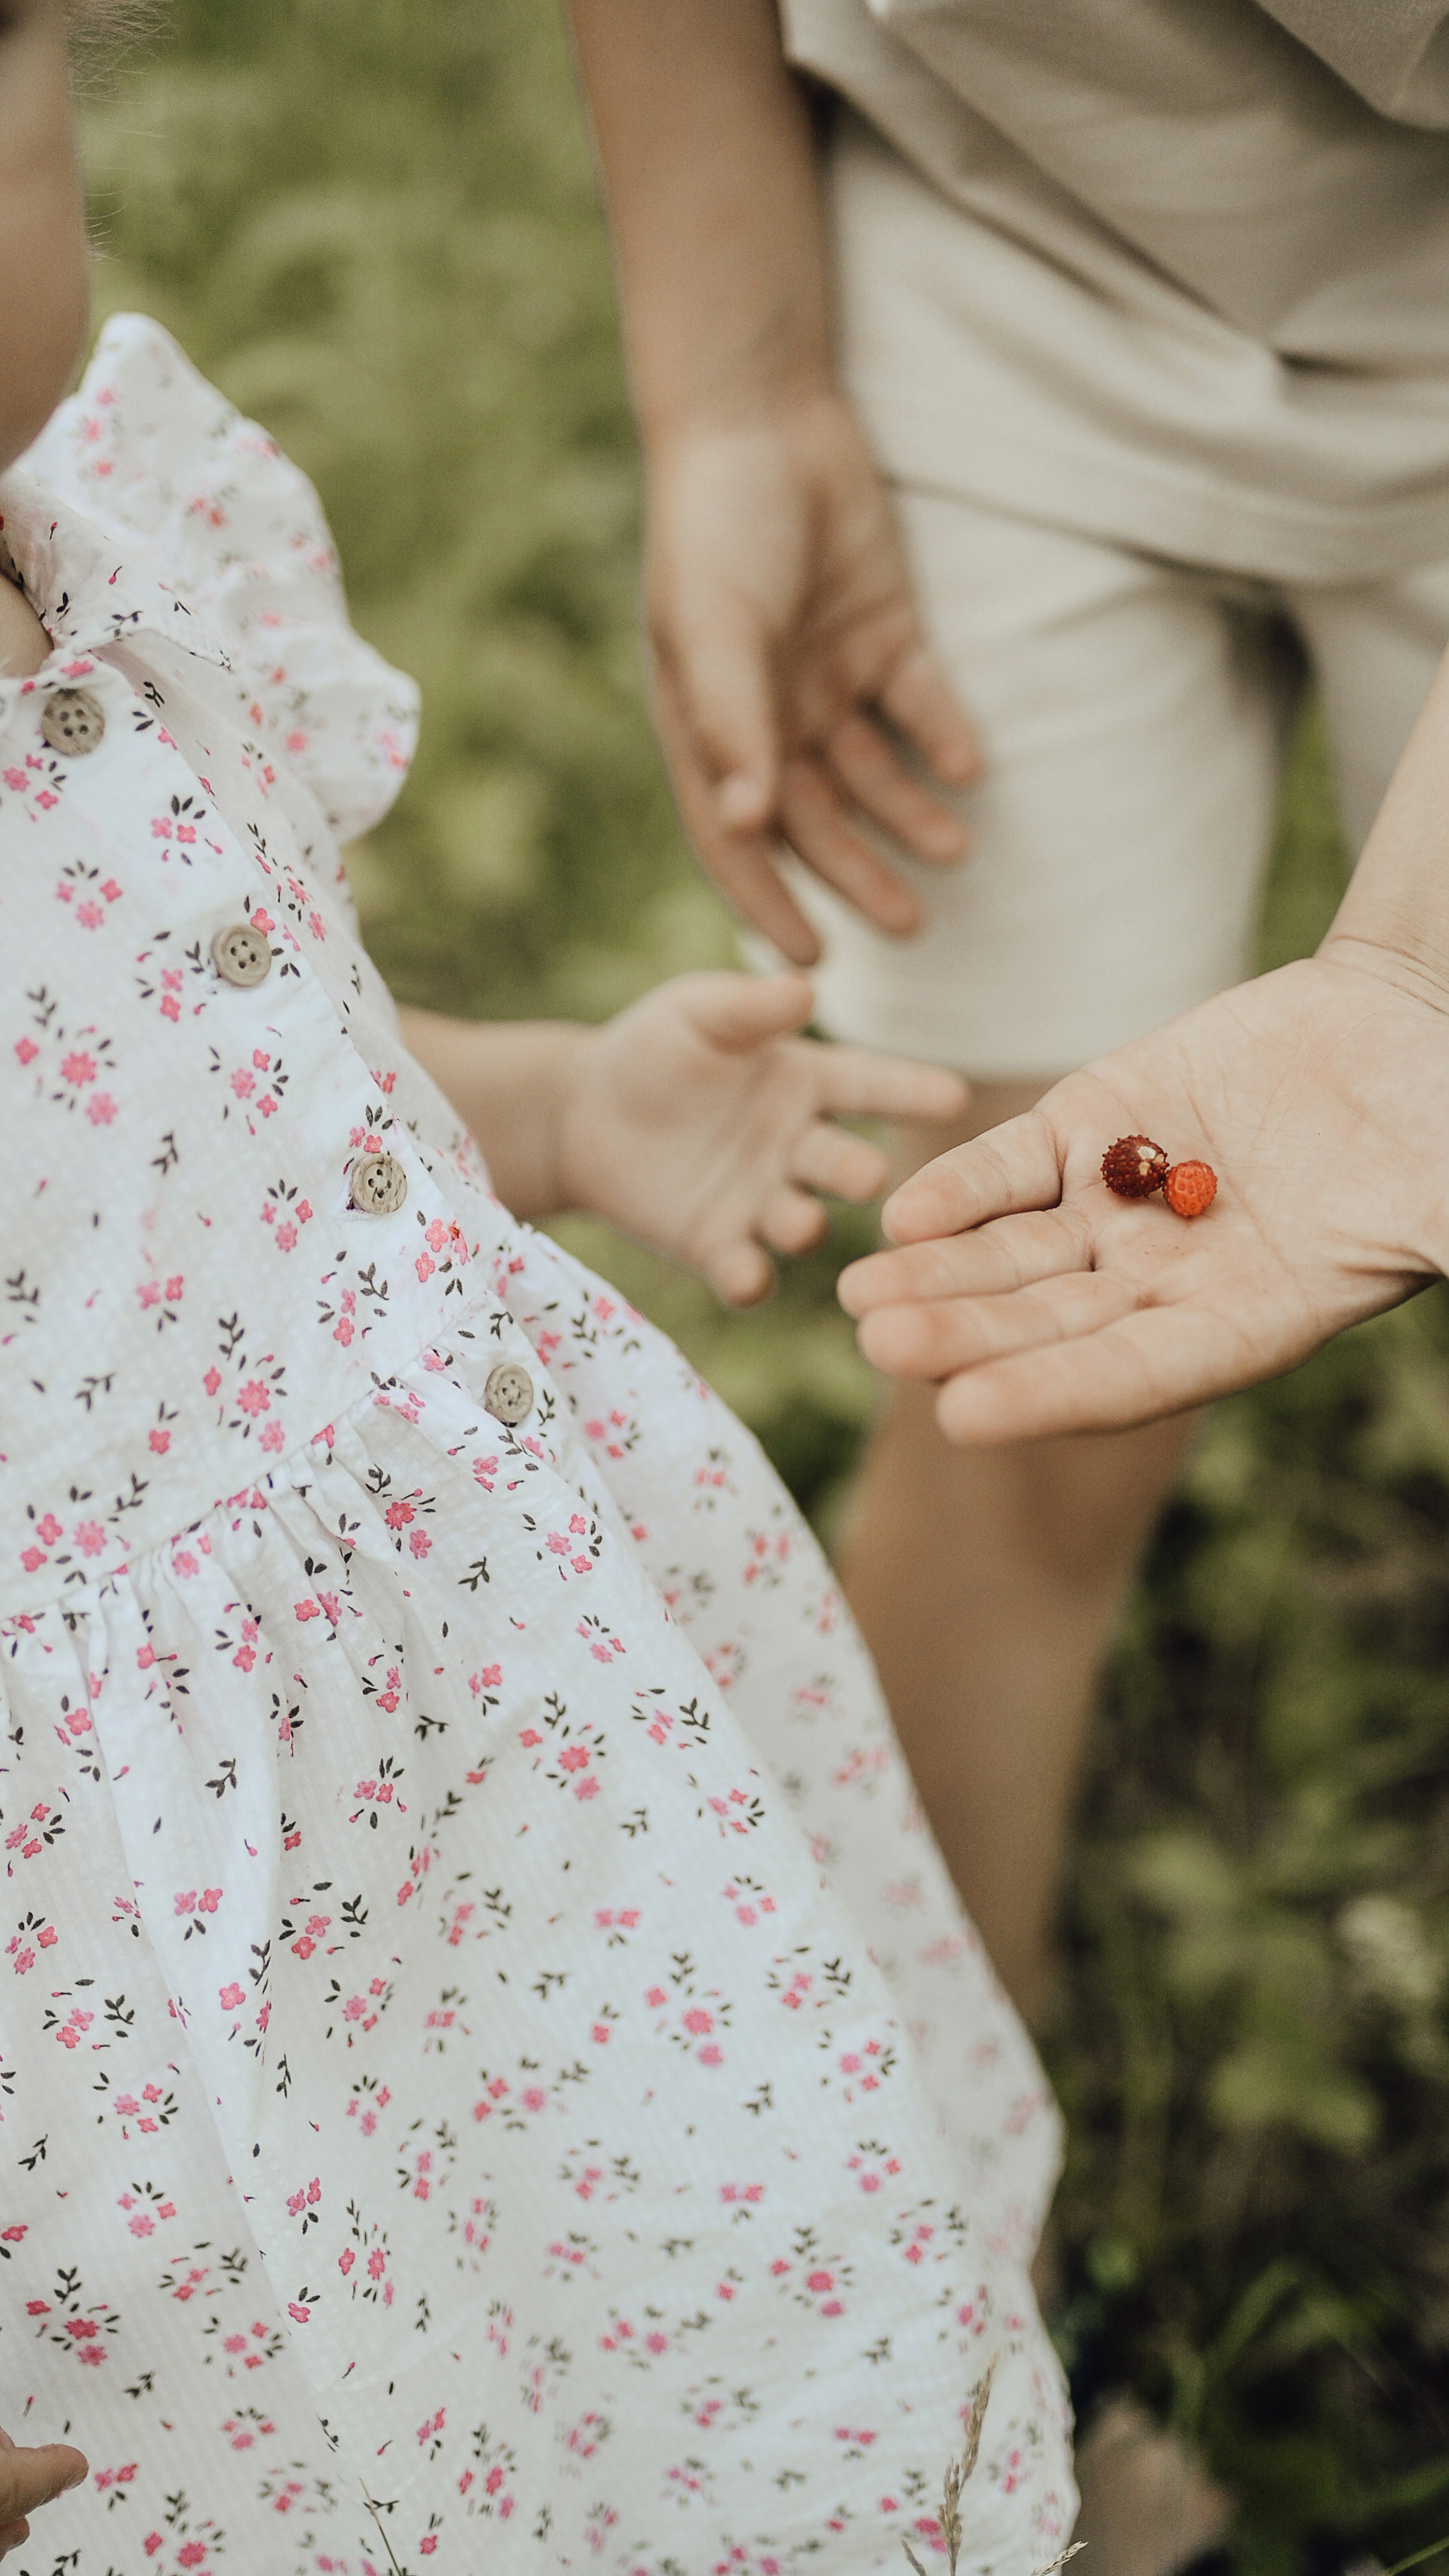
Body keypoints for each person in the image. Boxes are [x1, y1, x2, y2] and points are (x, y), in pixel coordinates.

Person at [0, 5, 1075, 2569]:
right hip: (134, 1959)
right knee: (300, 2427)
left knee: (637, 2293)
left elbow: (205, 1096)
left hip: (499, 1769)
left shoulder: (121, 560)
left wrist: (561, 1105)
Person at [564, 0, 1449, 2023]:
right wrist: (735, 385)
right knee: (1039, 1337)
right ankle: (931, 2121)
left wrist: (1416, 970)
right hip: (1005, 262)